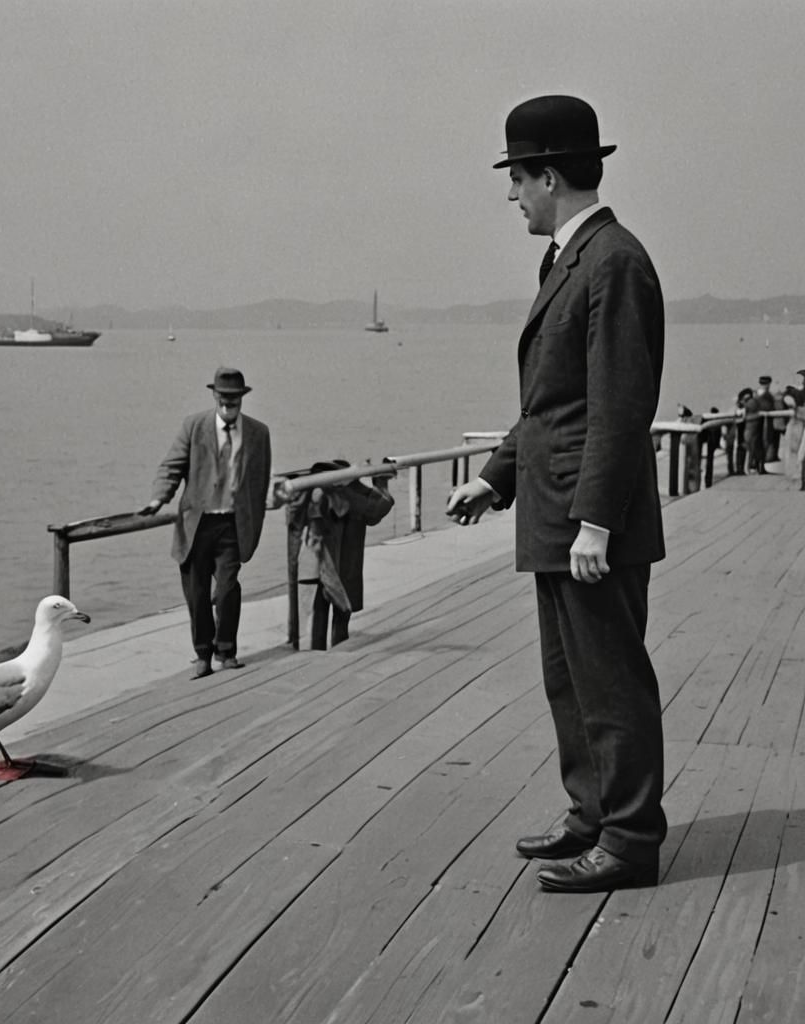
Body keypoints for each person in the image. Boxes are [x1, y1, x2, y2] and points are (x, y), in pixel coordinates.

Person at [446, 95, 666, 893]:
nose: (512, 197)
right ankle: (591, 815)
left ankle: (631, 839)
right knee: (568, 678)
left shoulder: (614, 261)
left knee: (610, 682)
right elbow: (552, 404)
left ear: (549, 176)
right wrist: (493, 477)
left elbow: (619, 403)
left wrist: (597, 522)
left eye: (517, 179)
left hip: (586, 521)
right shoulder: (574, 259)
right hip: (554, 511)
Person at [140, 367, 272, 679]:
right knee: (196, 593)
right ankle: (203, 654)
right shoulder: (194, 427)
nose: (228, 407)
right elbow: (171, 467)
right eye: (223, 400)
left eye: (234, 401)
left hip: (231, 525)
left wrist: (257, 518)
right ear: (214, 397)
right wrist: (159, 499)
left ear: (242, 399)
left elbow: (261, 479)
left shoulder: (258, 433)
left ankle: (226, 650)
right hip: (196, 525)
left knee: (226, 588)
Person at [287, 461, 395, 650]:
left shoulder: (341, 493)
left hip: (335, 566)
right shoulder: (335, 494)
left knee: (331, 613)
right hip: (329, 566)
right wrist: (380, 485)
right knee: (329, 613)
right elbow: (377, 509)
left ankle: (323, 651)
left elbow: (376, 511)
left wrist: (379, 485)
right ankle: (326, 650)